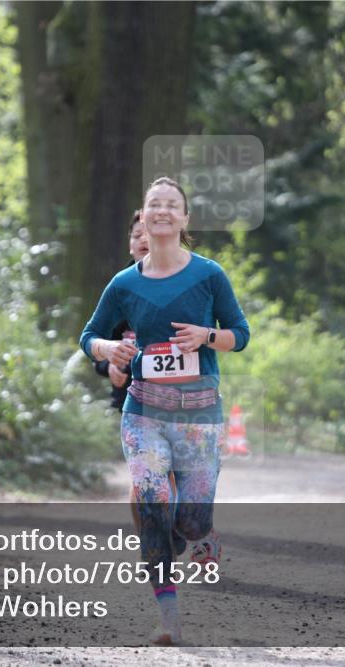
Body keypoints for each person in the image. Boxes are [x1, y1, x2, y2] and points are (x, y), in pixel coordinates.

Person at [80, 176, 250, 645]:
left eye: (171, 205)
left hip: (198, 416)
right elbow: (88, 336)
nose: (162, 211)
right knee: (152, 499)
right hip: (144, 413)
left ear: (184, 218)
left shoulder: (209, 275)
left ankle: (200, 535)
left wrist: (207, 336)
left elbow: (241, 332)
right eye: (154, 204)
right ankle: (168, 618)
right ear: (144, 214)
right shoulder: (124, 284)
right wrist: (108, 347)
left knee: (190, 521)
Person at [92, 210, 148, 411]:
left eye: (150, 234)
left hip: (176, 403)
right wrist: (110, 366)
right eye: (137, 235)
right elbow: (94, 342)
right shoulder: (118, 289)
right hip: (128, 402)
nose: (143, 240)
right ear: (129, 245)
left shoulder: (183, 285)